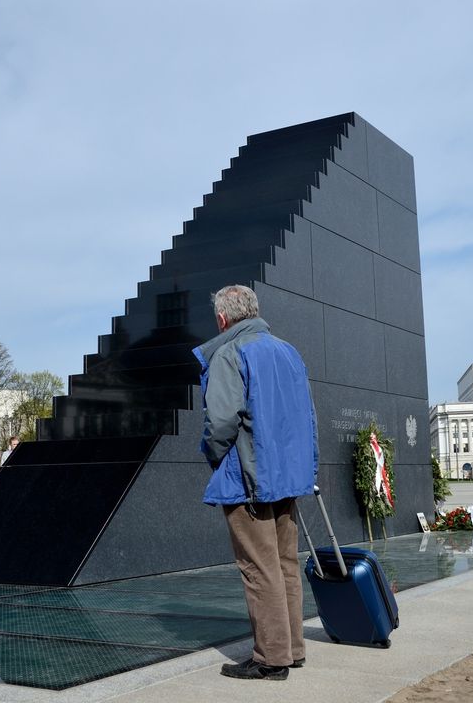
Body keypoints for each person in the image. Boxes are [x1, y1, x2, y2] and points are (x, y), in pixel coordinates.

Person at [196, 285, 317, 681]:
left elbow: (221, 423)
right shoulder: (289, 351)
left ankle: (271, 658)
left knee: (257, 567)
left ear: (222, 318)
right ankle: (292, 649)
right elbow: (306, 417)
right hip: (285, 475)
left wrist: (217, 459)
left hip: (248, 476)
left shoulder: (229, 353)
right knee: (284, 565)